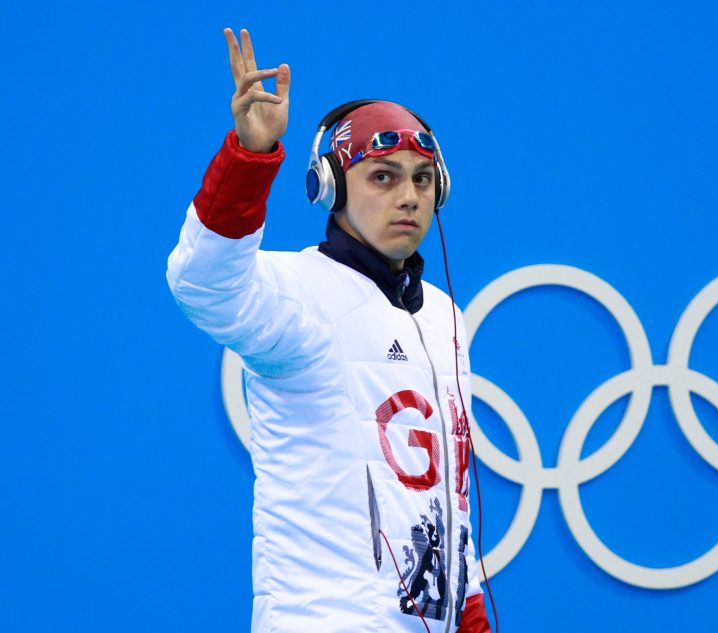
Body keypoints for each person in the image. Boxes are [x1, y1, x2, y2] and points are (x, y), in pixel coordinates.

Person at [166, 28, 492, 633]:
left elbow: (448, 506)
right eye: (383, 176)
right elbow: (203, 283)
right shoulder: (301, 292)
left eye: (423, 178)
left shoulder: (445, 316)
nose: (409, 196)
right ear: (331, 189)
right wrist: (250, 157)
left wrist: (470, 618)